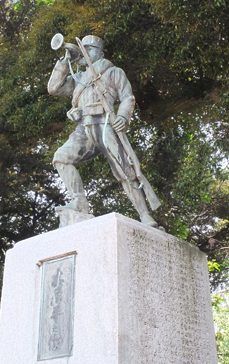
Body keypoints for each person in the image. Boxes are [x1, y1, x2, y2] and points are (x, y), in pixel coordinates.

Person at [48, 35, 160, 227]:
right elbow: (54, 88)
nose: (87, 52)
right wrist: (65, 61)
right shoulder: (79, 78)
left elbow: (127, 97)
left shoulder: (113, 72)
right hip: (84, 128)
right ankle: (79, 200)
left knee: (124, 169)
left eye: (90, 49)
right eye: (85, 49)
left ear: (101, 52)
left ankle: (144, 214)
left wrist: (123, 117)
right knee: (61, 157)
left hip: (105, 123)